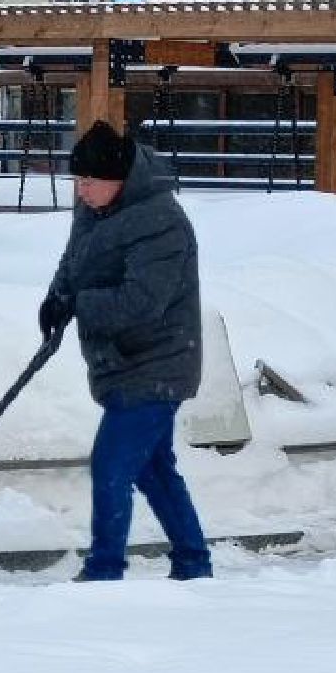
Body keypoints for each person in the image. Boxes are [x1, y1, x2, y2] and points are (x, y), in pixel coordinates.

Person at [38, 121, 212, 581]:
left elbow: (143, 301)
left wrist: (81, 304)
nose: (81, 190)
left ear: (119, 178)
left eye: (89, 180)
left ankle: (104, 570)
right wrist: (56, 299)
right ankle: (193, 563)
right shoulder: (94, 210)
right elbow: (74, 263)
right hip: (120, 360)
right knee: (154, 470)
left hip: (158, 362)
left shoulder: (160, 222)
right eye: (77, 180)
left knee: (111, 465)